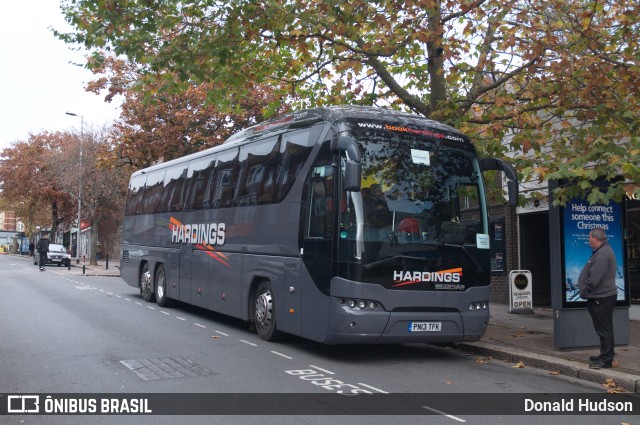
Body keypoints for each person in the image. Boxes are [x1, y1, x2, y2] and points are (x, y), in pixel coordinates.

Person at [577, 228, 618, 369]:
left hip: (602, 297)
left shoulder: (603, 254)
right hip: (602, 296)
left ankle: (606, 360)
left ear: (595, 238)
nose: (588, 240)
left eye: (589, 237)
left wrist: (584, 290)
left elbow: (595, 278)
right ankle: (605, 355)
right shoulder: (602, 251)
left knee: (604, 329)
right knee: (603, 328)